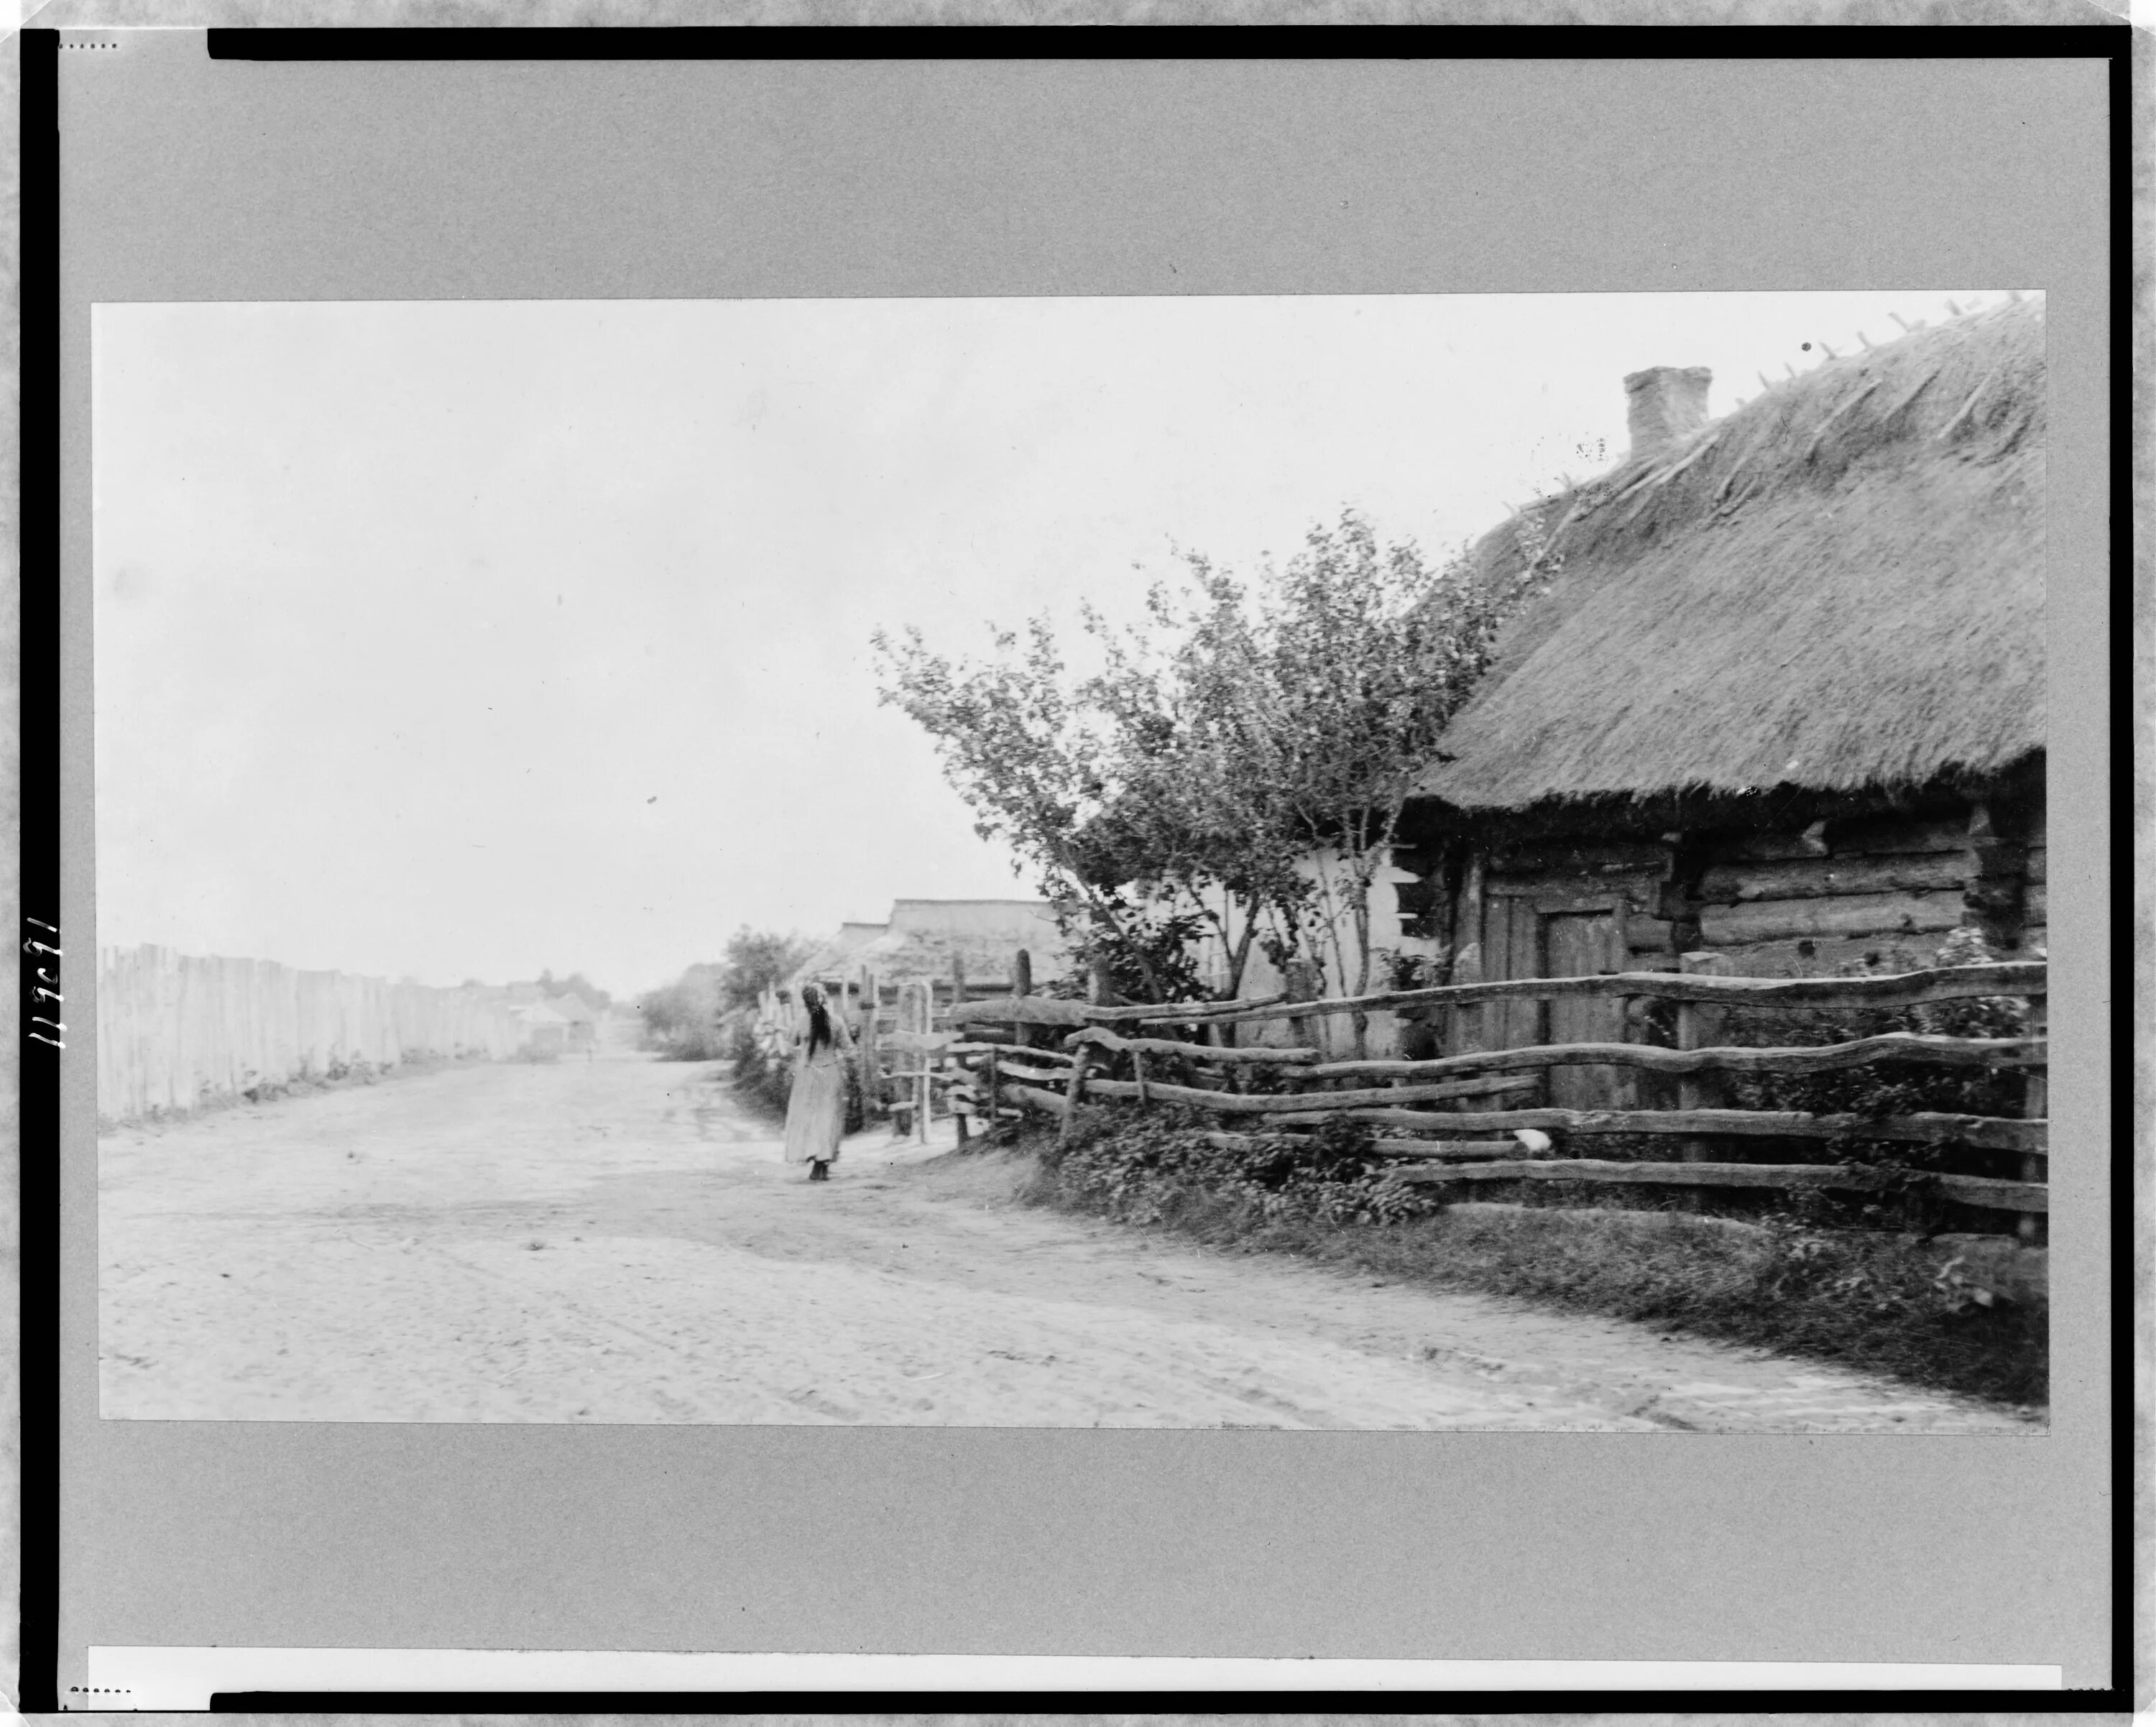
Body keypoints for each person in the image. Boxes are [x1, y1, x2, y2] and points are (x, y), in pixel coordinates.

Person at [783, 982, 854, 1182]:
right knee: (828, 1119)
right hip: (831, 1074)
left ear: (805, 1003)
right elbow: (849, 1049)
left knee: (810, 1120)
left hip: (807, 1075)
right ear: (825, 1000)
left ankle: (817, 1162)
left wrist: (802, 1050)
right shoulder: (837, 1022)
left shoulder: (800, 1023)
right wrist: (853, 1070)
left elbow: (789, 1047)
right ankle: (823, 1163)